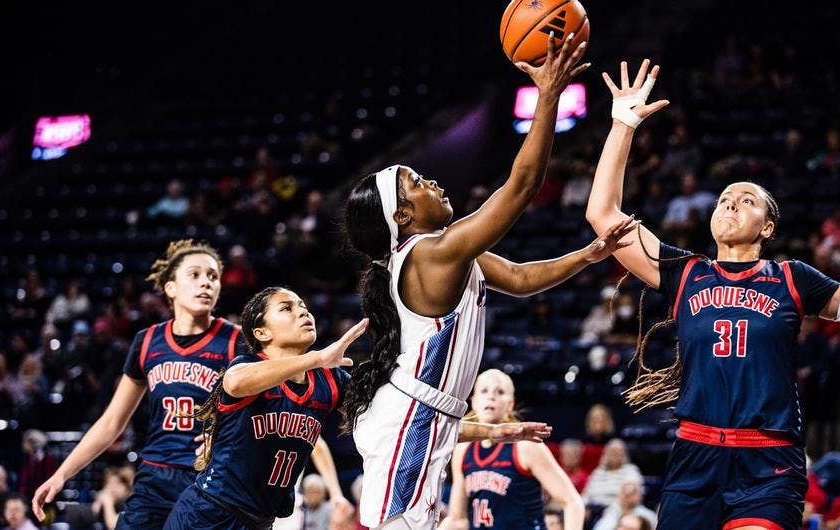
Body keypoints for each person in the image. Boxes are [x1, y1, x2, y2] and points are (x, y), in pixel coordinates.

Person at [584, 58, 840, 530]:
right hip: (695, 457)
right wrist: (623, 124)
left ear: (767, 226)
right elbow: (603, 215)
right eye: (726, 197)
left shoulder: (792, 278)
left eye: (746, 199)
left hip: (768, 464)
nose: (731, 202)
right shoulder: (684, 272)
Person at [341, 33, 635, 530]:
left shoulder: (452, 254)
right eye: (417, 182)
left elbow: (520, 279)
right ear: (406, 215)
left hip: (425, 419)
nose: (433, 181)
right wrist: (548, 96)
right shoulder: (432, 253)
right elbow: (521, 188)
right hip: (409, 424)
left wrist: (588, 256)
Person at [32, 240, 245, 529]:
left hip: (207, 479)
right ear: (170, 287)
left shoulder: (236, 340)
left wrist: (226, 436)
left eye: (213, 277)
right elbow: (111, 422)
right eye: (195, 275)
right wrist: (61, 474)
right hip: (154, 478)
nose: (206, 283)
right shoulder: (147, 342)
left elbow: (263, 410)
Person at [163, 287, 365, 529]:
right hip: (208, 515)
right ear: (262, 332)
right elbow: (235, 382)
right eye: (286, 308)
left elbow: (377, 411)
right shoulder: (246, 365)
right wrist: (318, 358)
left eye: (303, 306)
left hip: (261, 522)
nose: (302, 312)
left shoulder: (330, 380)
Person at [440, 370, 583, 530]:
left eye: (499, 392)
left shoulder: (526, 446)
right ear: (473, 401)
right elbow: (458, 519)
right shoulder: (463, 449)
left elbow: (572, 503)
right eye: (484, 390)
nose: (491, 396)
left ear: (510, 404)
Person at [592, 477, 657, 530]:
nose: (626, 496)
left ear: (639, 496)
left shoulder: (649, 516)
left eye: (631, 493)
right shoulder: (612, 511)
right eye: (624, 492)